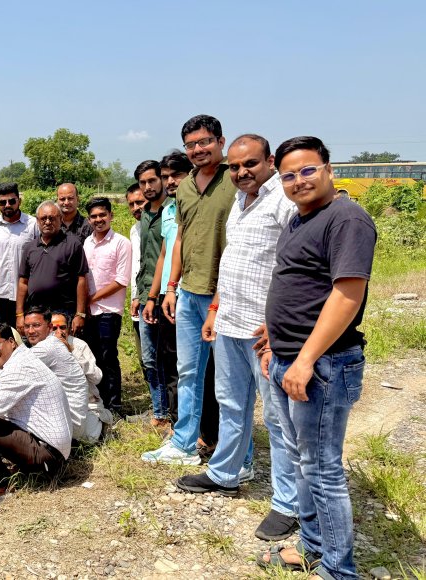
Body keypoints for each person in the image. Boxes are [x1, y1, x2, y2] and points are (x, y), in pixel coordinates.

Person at [258, 136, 375, 580]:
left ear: (329, 169)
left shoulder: (347, 218)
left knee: (322, 470)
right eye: (288, 175)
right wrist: (275, 342)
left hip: (323, 365)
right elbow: (298, 282)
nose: (299, 181)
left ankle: (338, 571)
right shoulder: (299, 218)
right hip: (289, 359)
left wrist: (305, 360)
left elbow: (347, 294)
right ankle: (312, 547)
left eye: (308, 170)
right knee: (302, 461)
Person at [174, 135, 300, 542]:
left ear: (270, 161)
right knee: (231, 404)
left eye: (250, 164)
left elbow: (298, 268)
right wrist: (214, 310)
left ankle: (289, 503)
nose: (242, 172)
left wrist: (281, 323)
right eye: (235, 166)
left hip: (264, 331)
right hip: (229, 322)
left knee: (279, 419)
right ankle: (225, 473)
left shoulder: (284, 201)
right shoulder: (241, 203)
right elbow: (233, 262)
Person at [143, 115, 236, 465]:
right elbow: (179, 238)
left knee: (227, 380)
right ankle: (183, 443)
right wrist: (171, 287)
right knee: (188, 372)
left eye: (204, 142)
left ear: (220, 142)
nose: (198, 149)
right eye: (191, 144)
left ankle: (234, 453)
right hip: (188, 292)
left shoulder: (234, 180)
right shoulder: (184, 188)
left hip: (224, 294)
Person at [0, 323, 71, 511]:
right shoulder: (15, 361)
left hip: (49, 456)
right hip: (51, 448)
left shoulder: (19, 368)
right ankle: (18, 471)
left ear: (11, 342)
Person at [143, 151, 191, 425]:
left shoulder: (195, 207)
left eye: (176, 175)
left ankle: (194, 424)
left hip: (188, 292)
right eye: (166, 176)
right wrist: (153, 296)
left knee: (189, 363)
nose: (170, 181)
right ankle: (175, 420)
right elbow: (164, 255)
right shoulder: (169, 210)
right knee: (168, 359)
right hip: (166, 295)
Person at [23, 307, 104, 443]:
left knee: (88, 439)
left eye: (63, 327)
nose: (59, 332)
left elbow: (97, 378)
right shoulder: (40, 347)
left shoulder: (79, 345)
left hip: (87, 405)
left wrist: (71, 353)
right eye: (54, 328)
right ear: (49, 328)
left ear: (69, 329)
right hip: (56, 407)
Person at [132, 161, 173, 428]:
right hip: (147, 294)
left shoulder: (173, 210)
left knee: (168, 359)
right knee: (149, 358)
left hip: (166, 295)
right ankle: (160, 411)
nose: (147, 187)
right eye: (143, 183)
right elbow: (146, 260)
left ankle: (170, 414)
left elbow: (168, 256)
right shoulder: (145, 214)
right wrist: (140, 294)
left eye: (152, 181)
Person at [83, 197, 132, 414]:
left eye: (102, 215)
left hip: (108, 311)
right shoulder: (87, 242)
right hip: (89, 311)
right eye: (93, 216)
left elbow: (121, 280)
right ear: (89, 220)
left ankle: (115, 406)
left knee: (108, 357)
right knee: (93, 357)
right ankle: (99, 403)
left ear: (111, 215)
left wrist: (92, 298)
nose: (98, 219)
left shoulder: (121, 243)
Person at [16, 200, 89, 334]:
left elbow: (81, 280)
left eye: (52, 218)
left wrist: (80, 314)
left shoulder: (73, 244)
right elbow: (23, 282)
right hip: (35, 311)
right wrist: (19, 314)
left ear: (61, 219)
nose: (48, 222)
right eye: (43, 218)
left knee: (62, 345)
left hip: (63, 312)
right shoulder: (30, 247)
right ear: (37, 221)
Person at [0, 182, 37, 326]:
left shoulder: (33, 224)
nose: (7, 205)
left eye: (12, 201)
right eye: (2, 202)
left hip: (26, 293)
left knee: (26, 332)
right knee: (2, 334)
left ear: (19, 201)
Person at [125, 184, 147, 383]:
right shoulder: (134, 230)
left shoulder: (161, 226)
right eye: (131, 204)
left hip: (151, 300)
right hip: (137, 301)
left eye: (139, 202)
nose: (135, 208)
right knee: (144, 357)